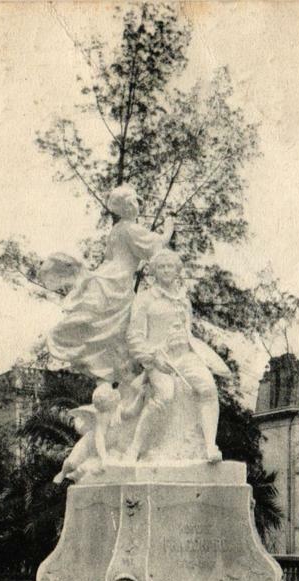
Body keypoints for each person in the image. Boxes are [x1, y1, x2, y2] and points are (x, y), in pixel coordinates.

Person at [47, 185, 174, 383]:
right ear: (129, 207)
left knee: (110, 328)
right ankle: (121, 371)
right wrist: (169, 229)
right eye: (134, 202)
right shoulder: (130, 229)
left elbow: (109, 257)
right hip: (119, 280)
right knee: (122, 327)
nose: (138, 206)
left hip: (107, 276)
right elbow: (155, 245)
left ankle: (112, 370)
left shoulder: (116, 229)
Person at [125, 249, 230, 463]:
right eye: (161, 267)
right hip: (159, 359)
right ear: (153, 271)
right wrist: (153, 357)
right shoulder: (145, 299)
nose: (165, 270)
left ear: (177, 270)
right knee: (164, 395)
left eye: (169, 266)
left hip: (186, 355)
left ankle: (210, 446)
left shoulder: (183, 300)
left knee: (208, 388)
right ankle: (134, 448)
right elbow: (134, 337)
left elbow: (187, 331)